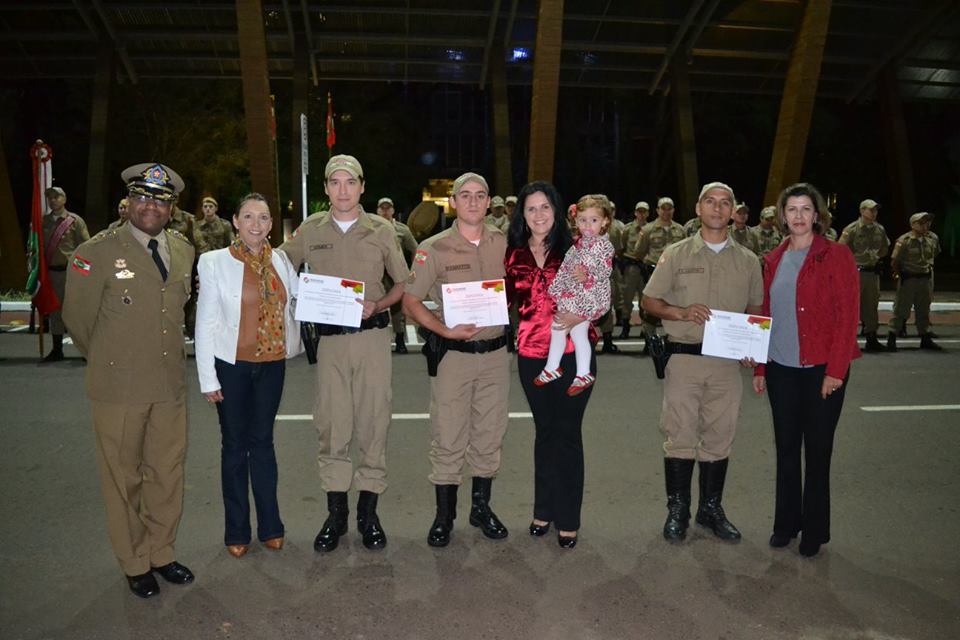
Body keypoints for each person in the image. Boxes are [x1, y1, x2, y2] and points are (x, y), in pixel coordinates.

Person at [63, 163, 196, 598]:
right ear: (128, 201)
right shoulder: (95, 251)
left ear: (172, 208)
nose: (150, 206)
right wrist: (112, 361)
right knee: (123, 478)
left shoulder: (181, 249)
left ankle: (162, 552)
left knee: (166, 473)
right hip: (118, 388)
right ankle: (135, 561)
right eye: (142, 197)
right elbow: (78, 323)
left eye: (160, 200)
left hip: (168, 385)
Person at [279, 154, 408, 553]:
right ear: (325, 188)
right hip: (331, 343)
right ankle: (336, 515)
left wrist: (381, 304)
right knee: (332, 427)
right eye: (334, 183)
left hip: (371, 339)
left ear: (362, 187)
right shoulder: (310, 229)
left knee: (373, 423)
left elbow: (404, 283)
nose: (342, 190)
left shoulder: (382, 230)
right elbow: (279, 267)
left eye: (349, 182)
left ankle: (369, 514)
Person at [641, 182, 763, 544]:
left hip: (726, 365)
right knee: (679, 435)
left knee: (720, 437)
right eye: (710, 201)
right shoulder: (676, 254)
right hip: (684, 359)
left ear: (733, 211)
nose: (717, 208)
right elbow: (649, 300)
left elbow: (755, 309)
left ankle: (710, 509)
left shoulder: (748, 261)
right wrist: (680, 311)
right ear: (698, 209)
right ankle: (677, 508)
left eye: (725, 203)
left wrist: (751, 343)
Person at [751, 182, 861, 558]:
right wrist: (761, 368)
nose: (798, 216)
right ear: (782, 216)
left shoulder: (836, 255)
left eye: (805, 209)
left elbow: (848, 316)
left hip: (821, 370)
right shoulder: (773, 259)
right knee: (785, 450)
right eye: (792, 209)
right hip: (782, 369)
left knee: (817, 452)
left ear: (817, 215)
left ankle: (814, 530)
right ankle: (786, 524)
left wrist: (836, 370)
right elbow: (765, 315)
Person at [402, 172, 511, 548]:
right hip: (454, 358)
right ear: (453, 202)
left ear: (488, 201)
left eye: (480, 195)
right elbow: (411, 301)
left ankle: (480, 508)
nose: (473, 202)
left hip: (496, 354)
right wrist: (444, 331)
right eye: (465, 195)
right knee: (448, 434)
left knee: (490, 433)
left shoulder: (505, 242)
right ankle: (443, 516)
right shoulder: (434, 248)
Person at [195, 193, 303, 559]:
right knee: (234, 447)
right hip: (233, 366)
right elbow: (206, 321)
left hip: (273, 364)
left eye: (264, 218)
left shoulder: (282, 260)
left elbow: (299, 302)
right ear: (236, 222)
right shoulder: (213, 262)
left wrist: (345, 298)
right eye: (249, 217)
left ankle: (271, 526)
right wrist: (208, 378)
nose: (257, 224)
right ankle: (236, 529)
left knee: (264, 444)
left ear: (271, 224)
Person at [505, 182, 600, 548]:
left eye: (545, 207)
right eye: (531, 209)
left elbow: (602, 294)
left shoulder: (579, 249)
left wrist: (585, 304)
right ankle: (543, 508)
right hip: (532, 355)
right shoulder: (514, 255)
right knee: (545, 433)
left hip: (575, 355)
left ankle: (569, 517)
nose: (539, 215)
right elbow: (502, 299)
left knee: (568, 433)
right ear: (523, 215)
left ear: (557, 212)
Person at [534, 195, 614, 395]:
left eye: (594, 220)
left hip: (590, 298)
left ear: (605, 221)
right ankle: (577, 372)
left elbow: (605, 271)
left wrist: (587, 275)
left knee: (563, 329)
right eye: (583, 220)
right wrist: (556, 288)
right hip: (573, 297)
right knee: (573, 334)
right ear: (576, 221)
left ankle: (557, 368)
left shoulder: (604, 246)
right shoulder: (577, 245)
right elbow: (565, 268)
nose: (588, 225)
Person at [41, 186, 90, 362]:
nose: (52, 200)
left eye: (56, 196)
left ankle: (85, 350)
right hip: (52, 274)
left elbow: (87, 248)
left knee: (76, 312)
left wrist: (84, 275)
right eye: (49, 197)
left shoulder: (74, 221)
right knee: (55, 312)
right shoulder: (43, 222)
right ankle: (57, 349)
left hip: (71, 273)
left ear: (64, 199)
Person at [839, 199, 890, 352]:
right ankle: (847, 340)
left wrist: (875, 257)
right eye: (870, 210)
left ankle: (871, 337)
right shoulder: (852, 229)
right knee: (851, 306)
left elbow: (884, 248)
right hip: (855, 273)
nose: (873, 213)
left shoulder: (879, 229)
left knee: (871, 306)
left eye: (875, 210)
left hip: (872, 272)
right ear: (862, 211)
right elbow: (840, 250)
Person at [887, 212, 942, 351]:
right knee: (901, 309)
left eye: (927, 222)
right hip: (909, 279)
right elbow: (895, 261)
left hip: (925, 279)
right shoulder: (905, 240)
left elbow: (934, 255)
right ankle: (892, 336)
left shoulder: (932, 239)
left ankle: (925, 336)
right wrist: (901, 275)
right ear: (913, 225)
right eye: (922, 222)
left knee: (923, 309)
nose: (926, 225)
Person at [635, 196, 686, 347]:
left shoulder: (680, 230)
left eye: (669, 208)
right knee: (651, 306)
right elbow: (639, 252)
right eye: (663, 208)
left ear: (673, 210)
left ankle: (675, 338)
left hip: (676, 274)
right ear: (657, 210)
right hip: (654, 273)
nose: (666, 211)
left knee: (676, 304)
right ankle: (649, 339)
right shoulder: (648, 230)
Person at [376, 196, 418, 353]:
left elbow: (416, 249)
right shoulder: (370, 228)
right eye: (382, 208)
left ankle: (400, 340)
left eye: (388, 208)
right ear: (378, 210)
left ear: (393, 210)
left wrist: (414, 271)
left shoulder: (402, 229)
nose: (385, 211)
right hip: (377, 274)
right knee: (374, 307)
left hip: (395, 275)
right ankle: (376, 343)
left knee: (397, 309)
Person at [619, 201, 650, 339]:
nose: (641, 214)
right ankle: (625, 327)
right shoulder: (628, 229)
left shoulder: (651, 229)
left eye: (644, 211)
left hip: (646, 268)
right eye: (639, 211)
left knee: (646, 299)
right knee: (627, 298)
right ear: (635, 213)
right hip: (631, 268)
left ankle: (646, 328)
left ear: (648, 213)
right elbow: (621, 248)